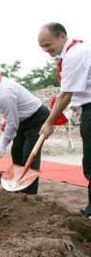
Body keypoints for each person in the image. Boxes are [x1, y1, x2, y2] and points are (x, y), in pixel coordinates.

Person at [0, 66, 50, 194]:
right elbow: (10, 117)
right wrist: (5, 121)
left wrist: (3, 145)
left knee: (29, 156)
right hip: (22, 119)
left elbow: (12, 124)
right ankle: (17, 188)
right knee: (17, 152)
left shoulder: (4, 93)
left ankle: (29, 196)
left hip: (36, 118)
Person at [38, 22, 91, 218]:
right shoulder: (76, 52)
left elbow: (66, 94)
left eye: (48, 44)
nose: (46, 50)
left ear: (62, 36)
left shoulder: (75, 55)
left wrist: (49, 122)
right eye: (42, 47)